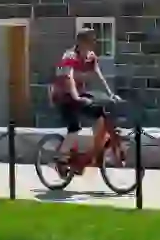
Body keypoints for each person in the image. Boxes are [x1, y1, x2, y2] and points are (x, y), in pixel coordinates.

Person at [51, 28, 121, 163]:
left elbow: (99, 76)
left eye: (93, 41)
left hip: (78, 95)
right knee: (74, 129)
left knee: (100, 113)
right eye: (90, 41)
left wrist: (111, 94)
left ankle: (96, 149)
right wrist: (75, 96)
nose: (93, 43)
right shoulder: (69, 55)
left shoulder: (91, 56)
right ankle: (60, 156)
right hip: (63, 96)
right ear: (81, 42)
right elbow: (68, 76)